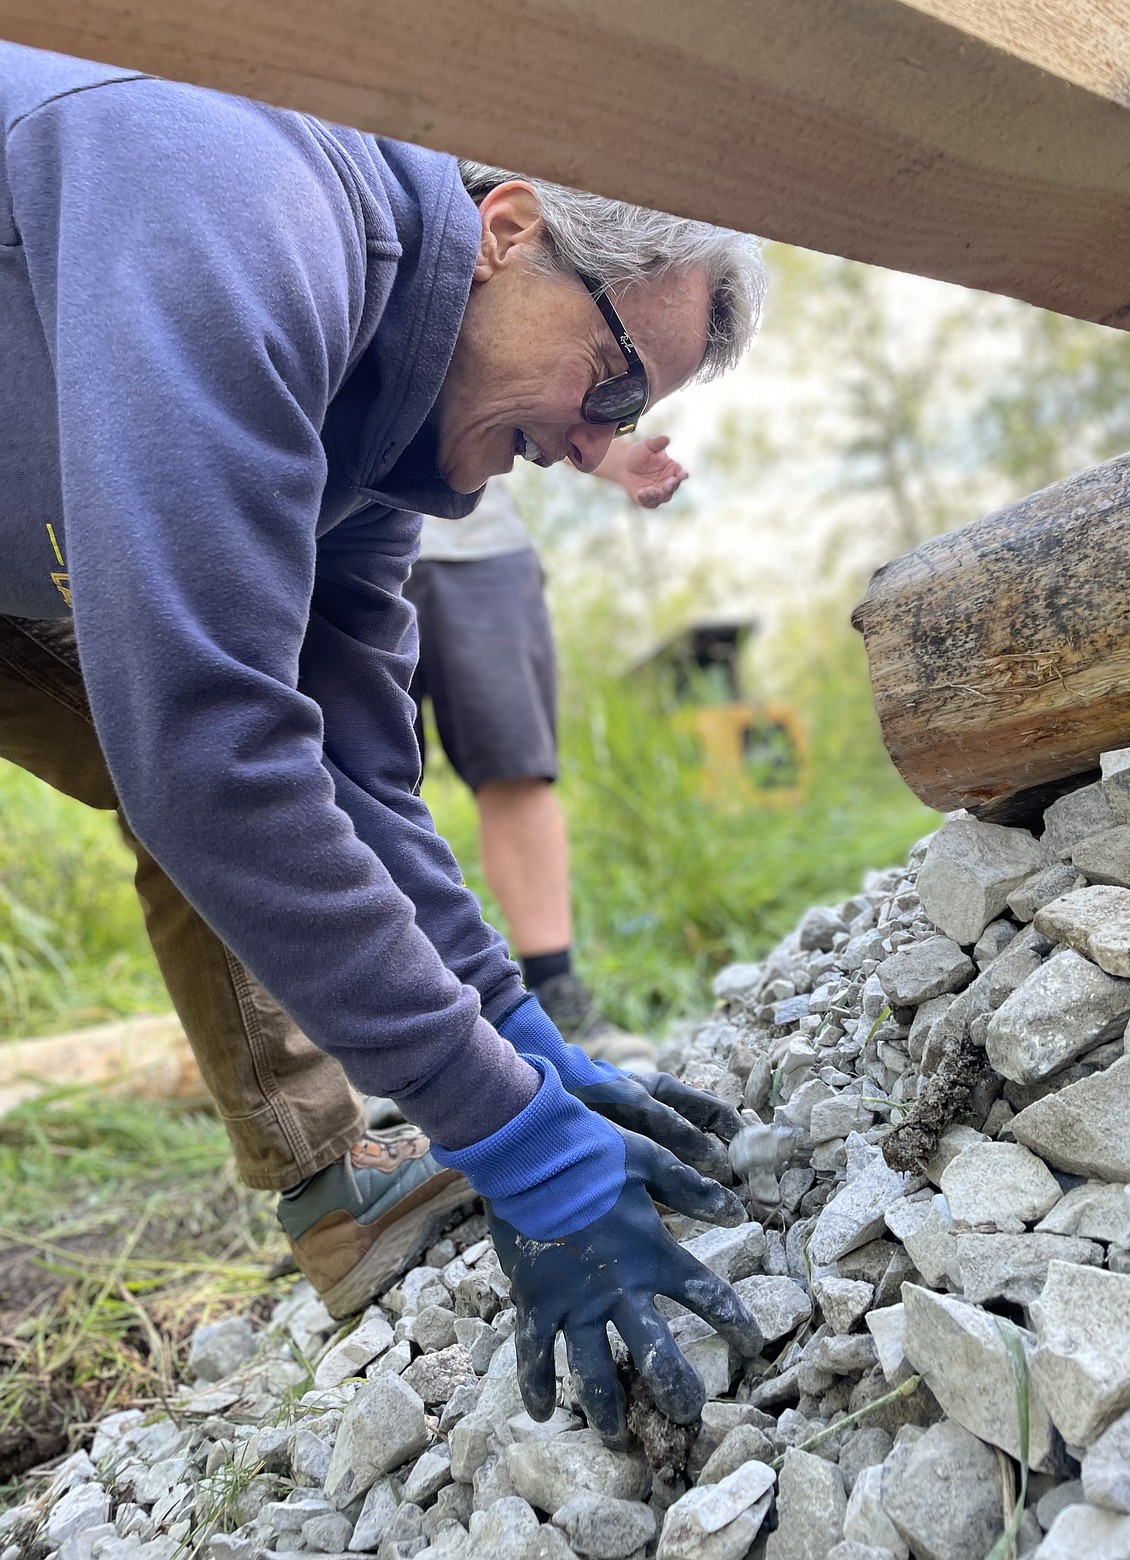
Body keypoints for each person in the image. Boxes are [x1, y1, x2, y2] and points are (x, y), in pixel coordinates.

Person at [0, 42, 768, 1439]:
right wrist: (513, 1139)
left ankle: (338, 1188)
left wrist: (515, 1031)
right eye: (609, 385)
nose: (598, 449)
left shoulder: (392, 422)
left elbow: (353, 776)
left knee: (233, 797)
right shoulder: (237, 200)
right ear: (507, 230)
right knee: (201, 765)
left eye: (631, 416)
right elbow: (216, 750)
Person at [406, 437, 688, 1074]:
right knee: (360, 783)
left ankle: (557, 993)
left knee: (517, 766)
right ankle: (391, 1025)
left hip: (478, 542)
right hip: (331, 532)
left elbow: (521, 370)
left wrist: (614, 459)